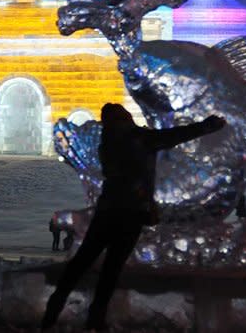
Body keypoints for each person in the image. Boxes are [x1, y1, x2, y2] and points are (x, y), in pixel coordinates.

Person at [41, 104, 225, 331]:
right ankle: (95, 318)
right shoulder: (138, 138)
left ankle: (55, 305)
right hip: (131, 212)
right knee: (112, 268)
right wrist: (207, 126)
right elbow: (174, 136)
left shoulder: (107, 142)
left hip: (108, 209)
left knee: (83, 260)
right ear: (125, 118)